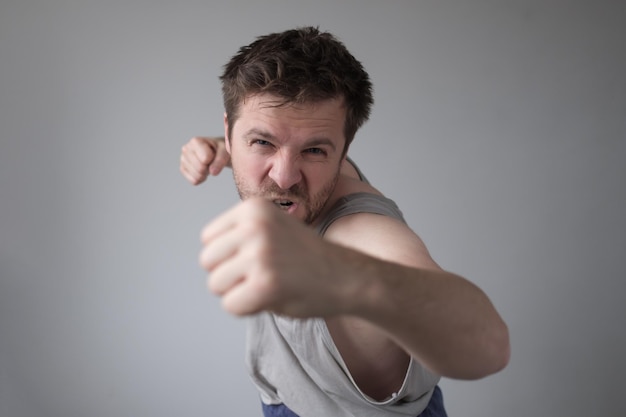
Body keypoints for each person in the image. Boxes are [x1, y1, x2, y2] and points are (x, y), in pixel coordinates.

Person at [179, 27, 509, 417]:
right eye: (262, 142)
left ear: (343, 152)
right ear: (231, 132)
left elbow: (487, 346)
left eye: (314, 150)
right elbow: (274, 140)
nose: (284, 177)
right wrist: (217, 149)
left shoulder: (361, 230)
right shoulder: (277, 152)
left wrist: (347, 277)